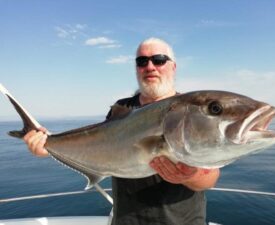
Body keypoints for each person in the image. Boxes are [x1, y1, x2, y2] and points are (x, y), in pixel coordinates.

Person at [23, 37, 220, 225]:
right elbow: (100, 147)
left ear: (173, 66)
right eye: (142, 61)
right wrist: (48, 146)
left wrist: (190, 176)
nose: (150, 67)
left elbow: (210, 178)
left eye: (159, 60)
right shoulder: (121, 108)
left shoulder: (190, 111)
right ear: (136, 68)